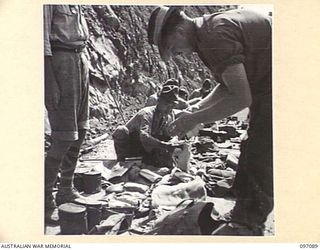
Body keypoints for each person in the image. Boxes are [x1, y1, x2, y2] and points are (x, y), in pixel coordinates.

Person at [148, 6, 272, 235]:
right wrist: (197, 107)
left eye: (173, 48)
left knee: (260, 153)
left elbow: (241, 97)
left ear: (179, 30)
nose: (177, 54)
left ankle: (249, 225)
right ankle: (243, 214)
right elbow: (228, 84)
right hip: (267, 85)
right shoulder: (207, 32)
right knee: (250, 147)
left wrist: (195, 119)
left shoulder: (215, 35)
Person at [44, 5, 90, 214]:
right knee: (64, 136)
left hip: (80, 59)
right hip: (61, 63)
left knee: (81, 130)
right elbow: (41, 42)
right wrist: (49, 81)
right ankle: (44, 198)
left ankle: (66, 189)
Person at [113, 80, 182, 167]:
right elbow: (144, 136)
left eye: (172, 106)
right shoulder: (147, 113)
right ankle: (122, 161)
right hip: (132, 145)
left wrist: (173, 142)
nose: (169, 108)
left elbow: (168, 134)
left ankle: (147, 160)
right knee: (121, 130)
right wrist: (164, 145)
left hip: (144, 147)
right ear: (159, 101)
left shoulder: (168, 115)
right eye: (166, 104)